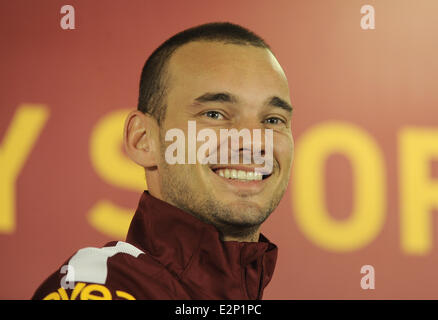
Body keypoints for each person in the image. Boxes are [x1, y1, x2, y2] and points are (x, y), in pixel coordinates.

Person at [32, 21, 294, 300]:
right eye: (215, 114)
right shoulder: (98, 288)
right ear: (143, 139)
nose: (253, 142)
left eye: (273, 120)